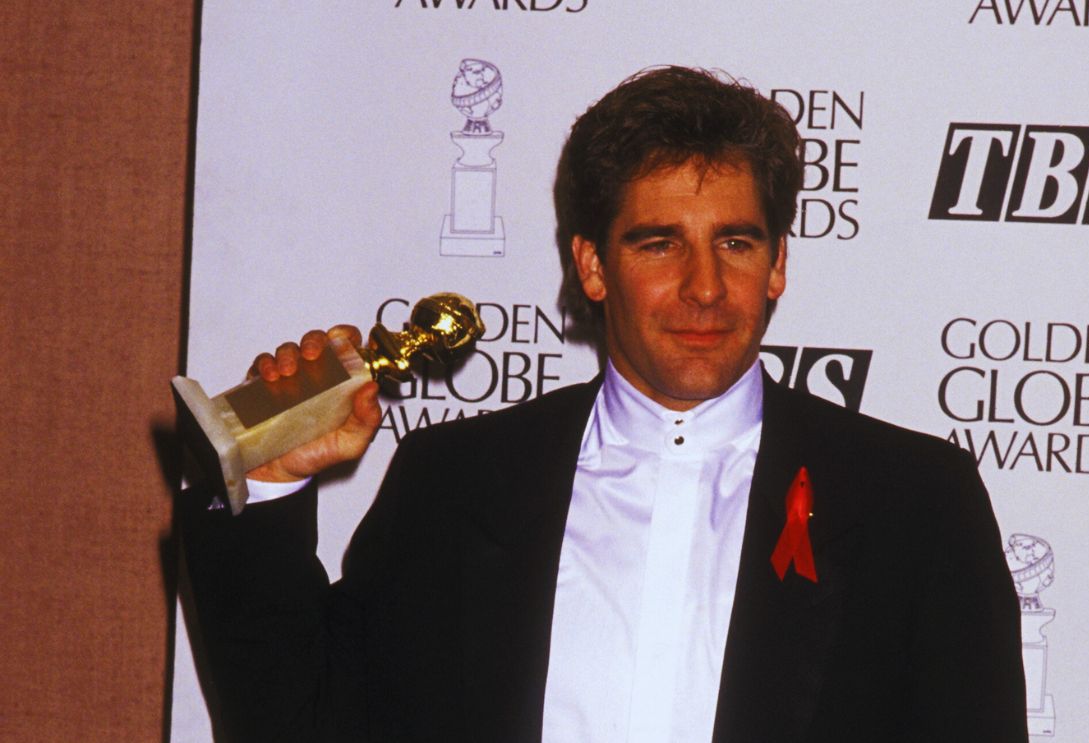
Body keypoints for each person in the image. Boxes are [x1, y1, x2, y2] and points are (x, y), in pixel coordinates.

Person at [181, 66, 1027, 743]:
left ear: (776, 266)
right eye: (659, 243)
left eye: (735, 243)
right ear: (592, 267)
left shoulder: (915, 503)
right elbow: (306, 725)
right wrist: (276, 484)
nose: (704, 287)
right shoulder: (458, 482)